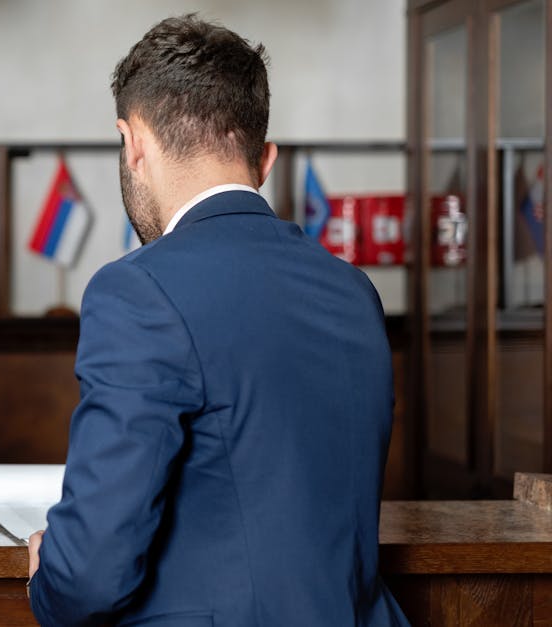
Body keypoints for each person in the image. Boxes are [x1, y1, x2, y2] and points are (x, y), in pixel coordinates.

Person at [25, 15, 409, 626]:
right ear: (267, 159)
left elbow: (88, 579)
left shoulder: (136, 291)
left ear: (133, 143)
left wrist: (51, 578)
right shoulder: (354, 291)